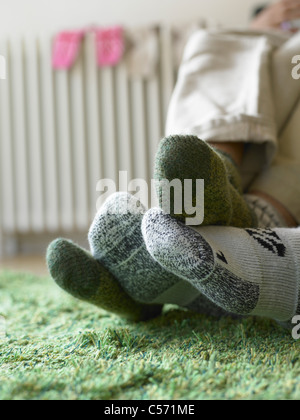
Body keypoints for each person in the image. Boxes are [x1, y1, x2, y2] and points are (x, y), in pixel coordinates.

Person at [47, 1, 300, 329]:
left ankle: (145, 284)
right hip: (269, 58)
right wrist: (263, 23)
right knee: (212, 42)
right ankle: (221, 179)